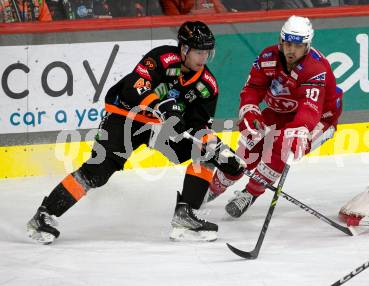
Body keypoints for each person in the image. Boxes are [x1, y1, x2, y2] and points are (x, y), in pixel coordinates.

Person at [26, 21, 245, 244]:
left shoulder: (207, 85)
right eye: (199, 52)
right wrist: (161, 106)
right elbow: (134, 87)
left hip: (160, 129)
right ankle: (45, 213)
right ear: (184, 49)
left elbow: (200, 125)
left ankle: (185, 216)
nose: (203, 58)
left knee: (205, 151)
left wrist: (215, 146)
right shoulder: (161, 58)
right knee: (97, 172)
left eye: (208, 52)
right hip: (128, 117)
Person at [205, 15, 343, 218]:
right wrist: (250, 109)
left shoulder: (316, 69)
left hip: (320, 120)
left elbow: (310, 108)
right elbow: (252, 88)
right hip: (280, 111)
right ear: (281, 40)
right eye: (287, 43)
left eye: (297, 45)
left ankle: (250, 194)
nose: (291, 50)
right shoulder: (268, 57)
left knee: (281, 146)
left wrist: (301, 128)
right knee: (248, 147)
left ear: (307, 45)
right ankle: (214, 187)